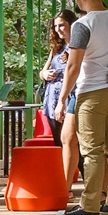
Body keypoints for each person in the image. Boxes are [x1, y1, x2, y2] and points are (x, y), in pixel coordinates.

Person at [55, 0, 108, 215]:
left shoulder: (83, 25)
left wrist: (62, 98)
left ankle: (89, 205)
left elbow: (73, 67)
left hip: (91, 93)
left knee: (92, 150)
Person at [38, 9, 77, 143]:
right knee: (58, 141)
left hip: (70, 97)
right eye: (55, 26)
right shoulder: (56, 47)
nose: (58, 29)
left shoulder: (78, 46)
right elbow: (42, 72)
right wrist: (45, 74)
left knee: (70, 139)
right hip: (52, 99)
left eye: (61, 25)